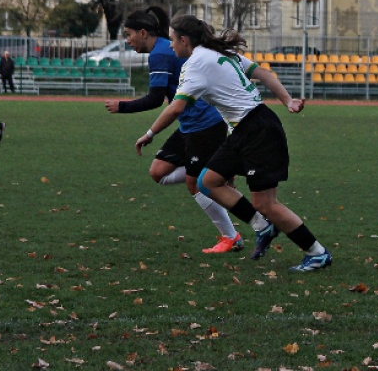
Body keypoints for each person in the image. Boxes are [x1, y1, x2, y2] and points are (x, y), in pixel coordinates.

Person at [136, 15, 331, 272]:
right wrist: (287, 100)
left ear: (184, 40)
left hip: (257, 131)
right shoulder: (220, 53)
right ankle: (263, 227)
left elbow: (176, 107)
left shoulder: (196, 63)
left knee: (265, 203)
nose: (170, 45)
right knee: (208, 181)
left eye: (172, 39)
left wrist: (150, 133)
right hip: (244, 129)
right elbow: (262, 73)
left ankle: (317, 253)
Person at [106, 7, 243, 254]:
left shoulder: (160, 54)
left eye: (128, 34)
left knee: (196, 184)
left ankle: (230, 236)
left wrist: (122, 107)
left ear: (143, 32)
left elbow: (155, 99)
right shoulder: (165, 48)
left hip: (204, 122)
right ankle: (218, 171)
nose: (127, 40)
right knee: (158, 172)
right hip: (189, 123)